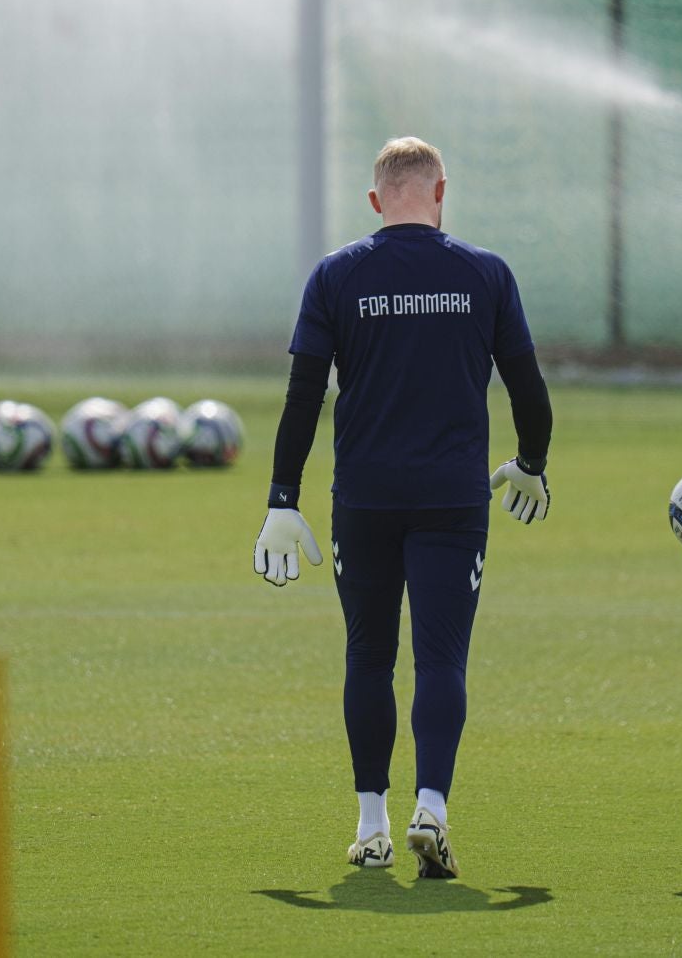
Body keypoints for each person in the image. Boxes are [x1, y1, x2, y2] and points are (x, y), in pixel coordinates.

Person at [253, 136, 554, 881]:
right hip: (454, 498)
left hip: (365, 497)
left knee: (369, 657)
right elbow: (528, 391)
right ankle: (432, 809)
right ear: (441, 191)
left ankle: (371, 829)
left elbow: (302, 399)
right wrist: (531, 464)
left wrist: (281, 500)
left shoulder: (336, 276)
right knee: (442, 658)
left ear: (376, 200)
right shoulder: (485, 273)